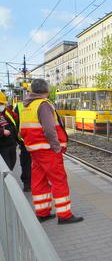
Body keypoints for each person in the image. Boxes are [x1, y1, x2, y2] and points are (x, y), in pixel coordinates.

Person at [19, 79, 83, 224]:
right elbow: (49, 129)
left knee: (39, 180)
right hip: (47, 150)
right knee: (59, 180)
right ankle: (64, 214)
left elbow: (22, 129)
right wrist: (56, 147)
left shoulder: (26, 106)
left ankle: (42, 213)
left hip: (35, 150)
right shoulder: (43, 105)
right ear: (46, 90)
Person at [14, 100, 32, 192]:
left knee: (26, 163)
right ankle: (28, 183)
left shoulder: (20, 106)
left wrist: (18, 140)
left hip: (25, 141)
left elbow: (15, 124)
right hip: (36, 141)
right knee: (30, 163)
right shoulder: (44, 103)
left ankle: (27, 184)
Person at [0, 92, 18, 171]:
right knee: (5, 169)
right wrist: (2, 132)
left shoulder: (6, 111)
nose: (2, 105)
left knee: (11, 165)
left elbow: (15, 122)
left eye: (2, 103)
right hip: (2, 146)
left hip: (11, 144)